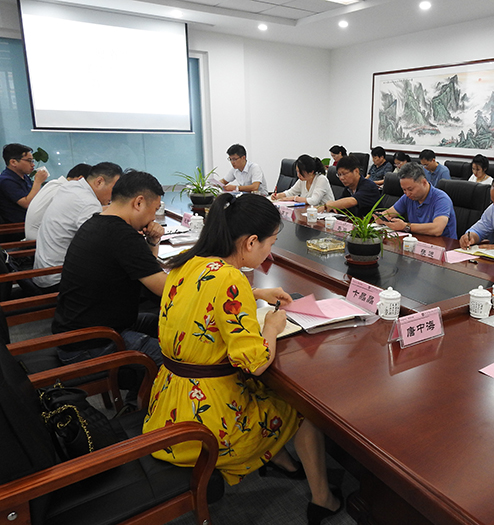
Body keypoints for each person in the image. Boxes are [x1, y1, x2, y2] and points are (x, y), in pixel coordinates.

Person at [142, 193, 342, 524]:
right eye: (270, 243)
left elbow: (203, 296)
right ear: (250, 242)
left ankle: (278, 459)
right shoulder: (230, 278)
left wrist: (255, 293)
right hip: (206, 423)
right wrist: (273, 327)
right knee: (302, 410)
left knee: (267, 393)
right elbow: (256, 363)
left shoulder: (186, 262)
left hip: (169, 404)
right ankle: (323, 499)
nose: (269, 252)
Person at [52, 170, 166, 368]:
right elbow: (165, 288)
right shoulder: (123, 235)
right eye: (154, 209)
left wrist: (153, 241)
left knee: (164, 321)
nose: (154, 217)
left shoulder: (96, 221)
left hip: (81, 331)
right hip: (93, 344)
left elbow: (145, 269)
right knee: (180, 360)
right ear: (139, 202)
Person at [33, 162, 122, 291]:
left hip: (43, 272)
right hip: (59, 279)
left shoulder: (70, 187)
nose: (115, 196)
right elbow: (101, 246)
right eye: (115, 189)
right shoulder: (88, 203)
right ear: (99, 182)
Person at [375, 162, 457, 239]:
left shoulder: (441, 199)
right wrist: (381, 217)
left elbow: (437, 229)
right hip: (417, 241)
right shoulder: (408, 197)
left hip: (444, 245)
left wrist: (406, 226)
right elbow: (389, 213)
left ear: (424, 182)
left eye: (410, 189)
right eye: (404, 190)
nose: (407, 193)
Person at [25, 163, 91, 241]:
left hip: (32, 235)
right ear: (80, 179)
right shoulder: (65, 191)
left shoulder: (53, 183)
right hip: (40, 239)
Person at [0, 143, 49, 223]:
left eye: (32, 161)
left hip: (34, 221)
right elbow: (27, 204)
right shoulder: (6, 180)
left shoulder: (24, 177)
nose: (33, 164)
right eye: (29, 161)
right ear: (13, 162)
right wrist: (38, 182)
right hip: (18, 226)